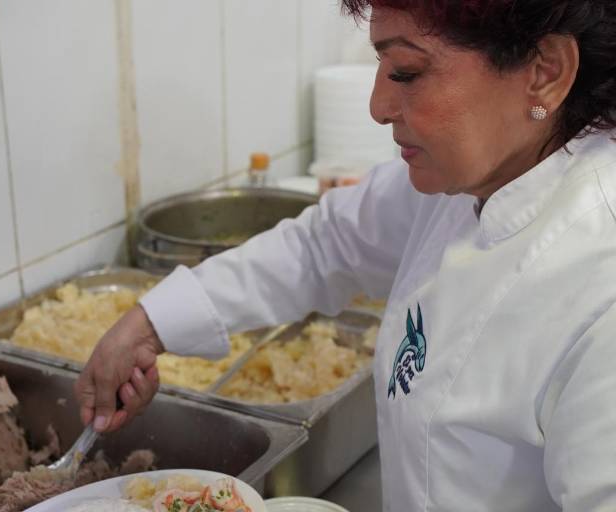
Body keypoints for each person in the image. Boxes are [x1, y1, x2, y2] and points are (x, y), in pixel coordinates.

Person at [75, 1, 616, 510]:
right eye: (380, 66)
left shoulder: (598, 279)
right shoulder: (468, 178)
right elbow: (323, 245)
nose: (378, 107)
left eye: (406, 71)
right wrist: (150, 324)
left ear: (545, 71)